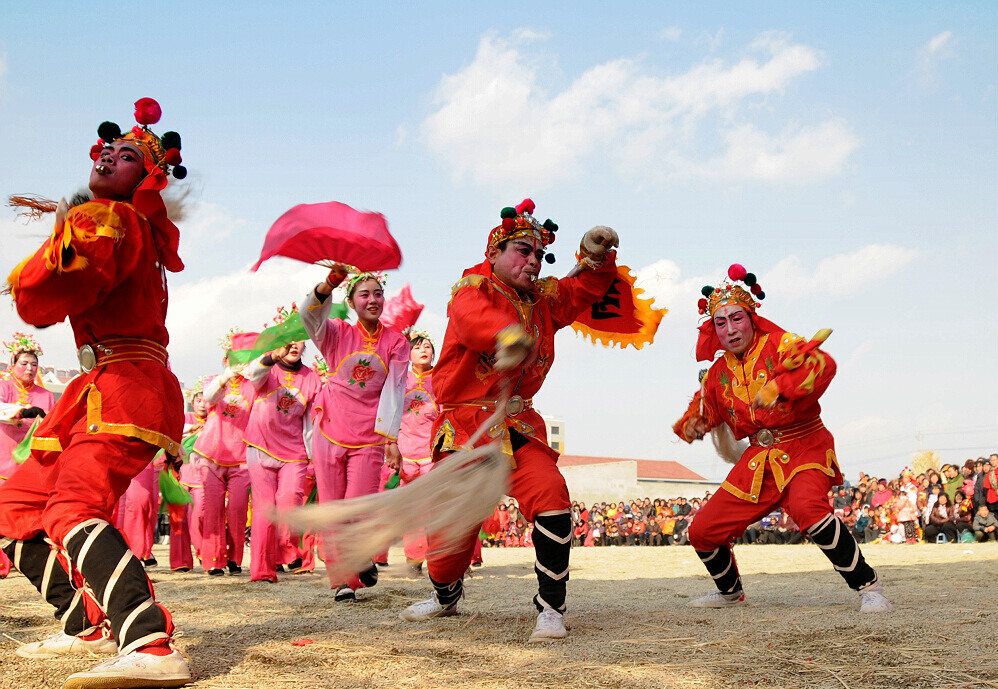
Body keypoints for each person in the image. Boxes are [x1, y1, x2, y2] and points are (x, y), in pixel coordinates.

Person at [0, 99, 191, 686]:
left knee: (74, 508)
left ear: (149, 179)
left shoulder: (117, 220)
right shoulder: (118, 223)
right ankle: (83, 619)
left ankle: (149, 642)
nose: (110, 154)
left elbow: (55, 285)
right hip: (96, 386)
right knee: (15, 507)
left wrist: (71, 226)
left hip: (127, 385)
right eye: (108, 147)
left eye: (128, 154)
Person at [398, 199, 619, 642]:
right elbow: (472, 320)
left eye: (540, 254)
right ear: (495, 252)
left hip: (517, 426)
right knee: (448, 542)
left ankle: (551, 609)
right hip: (466, 432)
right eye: (523, 250)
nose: (534, 261)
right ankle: (446, 596)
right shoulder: (472, 288)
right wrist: (508, 335)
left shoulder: (544, 302)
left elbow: (584, 289)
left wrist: (593, 255)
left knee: (552, 495)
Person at [674, 263, 892, 613]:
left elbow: (822, 364)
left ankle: (870, 588)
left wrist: (780, 387)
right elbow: (706, 410)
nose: (730, 329)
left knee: (808, 509)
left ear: (751, 317)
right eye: (721, 322)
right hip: (758, 460)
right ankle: (730, 592)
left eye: (736, 319)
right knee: (702, 530)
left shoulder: (779, 343)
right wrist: (692, 424)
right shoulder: (717, 374)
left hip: (804, 445)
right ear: (714, 329)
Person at [300, 266, 408, 601]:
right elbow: (308, 315)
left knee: (359, 506)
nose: (373, 300)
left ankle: (360, 555)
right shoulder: (335, 333)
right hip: (330, 426)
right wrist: (329, 283)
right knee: (333, 506)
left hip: (370, 434)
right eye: (365, 294)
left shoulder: (396, 342)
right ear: (351, 301)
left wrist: (390, 438)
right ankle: (342, 580)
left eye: (378, 293)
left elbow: (395, 390)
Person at [242, 332, 321, 583]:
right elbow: (254, 374)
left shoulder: (312, 379)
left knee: (289, 500)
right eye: (290, 339)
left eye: (300, 340)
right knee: (265, 510)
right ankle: (263, 571)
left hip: (294, 452)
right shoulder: (268, 368)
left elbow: (312, 423)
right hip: (260, 446)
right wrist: (272, 356)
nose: (295, 345)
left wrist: (315, 456)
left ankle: (287, 550)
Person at [375, 332, 440, 574]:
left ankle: (440, 560)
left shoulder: (442, 377)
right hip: (404, 453)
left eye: (428, 346)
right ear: (408, 354)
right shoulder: (400, 379)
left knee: (435, 508)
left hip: (433, 454)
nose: (423, 350)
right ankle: (414, 560)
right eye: (417, 347)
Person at [193, 338, 255, 576]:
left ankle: (235, 558)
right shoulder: (214, 382)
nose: (240, 364)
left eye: (244, 359)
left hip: (241, 457)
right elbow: (209, 398)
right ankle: (213, 560)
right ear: (225, 360)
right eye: (234, 359)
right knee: (214, 509)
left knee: (238, 509)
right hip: (213, 454)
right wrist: (227, 375)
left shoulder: (253, 386)